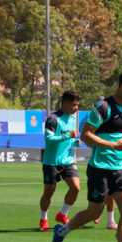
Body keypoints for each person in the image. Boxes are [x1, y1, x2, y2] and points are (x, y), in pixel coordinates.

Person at [51, 69, 122, 242]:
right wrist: (114, 146)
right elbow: (85, 136)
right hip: (99, 169)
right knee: (94, 211)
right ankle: (61, 233)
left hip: (121, 168)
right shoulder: (103, 108)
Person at [40, 90, 81, 232]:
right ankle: (43, 219)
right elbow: (49, 140)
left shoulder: (72, 119)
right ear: (65, 103)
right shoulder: (53, 119)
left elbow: (69, 140)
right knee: (48, 192)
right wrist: (67, 135)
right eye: (74, 105)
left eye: (77, 105)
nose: (76, 108)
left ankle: (62, 214)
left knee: (76, 188)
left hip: (68, 160)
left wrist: (75, 142)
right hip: (52, 162)